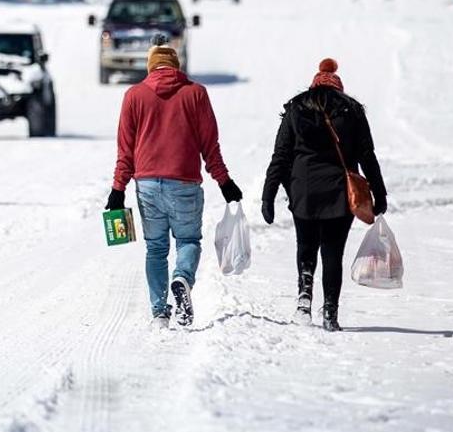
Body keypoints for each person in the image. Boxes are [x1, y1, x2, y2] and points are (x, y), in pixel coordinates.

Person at [107, 42, 243, 328]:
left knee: (155, 249)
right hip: (184, 183)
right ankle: (182, 277)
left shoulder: (134, 95)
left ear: (150, 66)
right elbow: (210, 146)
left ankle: (159, 313)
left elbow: (125, 150)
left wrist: (118, 190)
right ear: (175, 66)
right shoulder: (196, 94)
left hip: (146, 186)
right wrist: (225, 182)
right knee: (188, 241)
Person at [260, 59, 387, 332]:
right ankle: (330, 311)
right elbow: (367, 156)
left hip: (303, 190)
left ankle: (304, 300)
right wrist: (379, 192)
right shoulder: (352, 111)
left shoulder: (296, 108)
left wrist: (268, 195)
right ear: (338, 87)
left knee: (306, 246)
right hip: (340, 193)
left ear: (314, 84)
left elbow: (281, 156)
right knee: (333, 252)